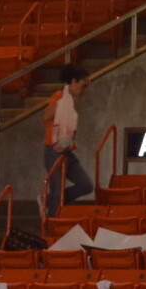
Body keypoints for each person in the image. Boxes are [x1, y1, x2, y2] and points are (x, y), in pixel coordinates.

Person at [42, 73, 93, 216]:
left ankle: (49, 201)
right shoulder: (59, 96)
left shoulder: (71, 102)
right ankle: (51, 224)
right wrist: (62, 102)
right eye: (84, 86)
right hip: (53, 151)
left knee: (86, 185)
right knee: (57, 191)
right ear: (74, 82)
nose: (85, 91)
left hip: (66, 152)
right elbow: (46, 116)